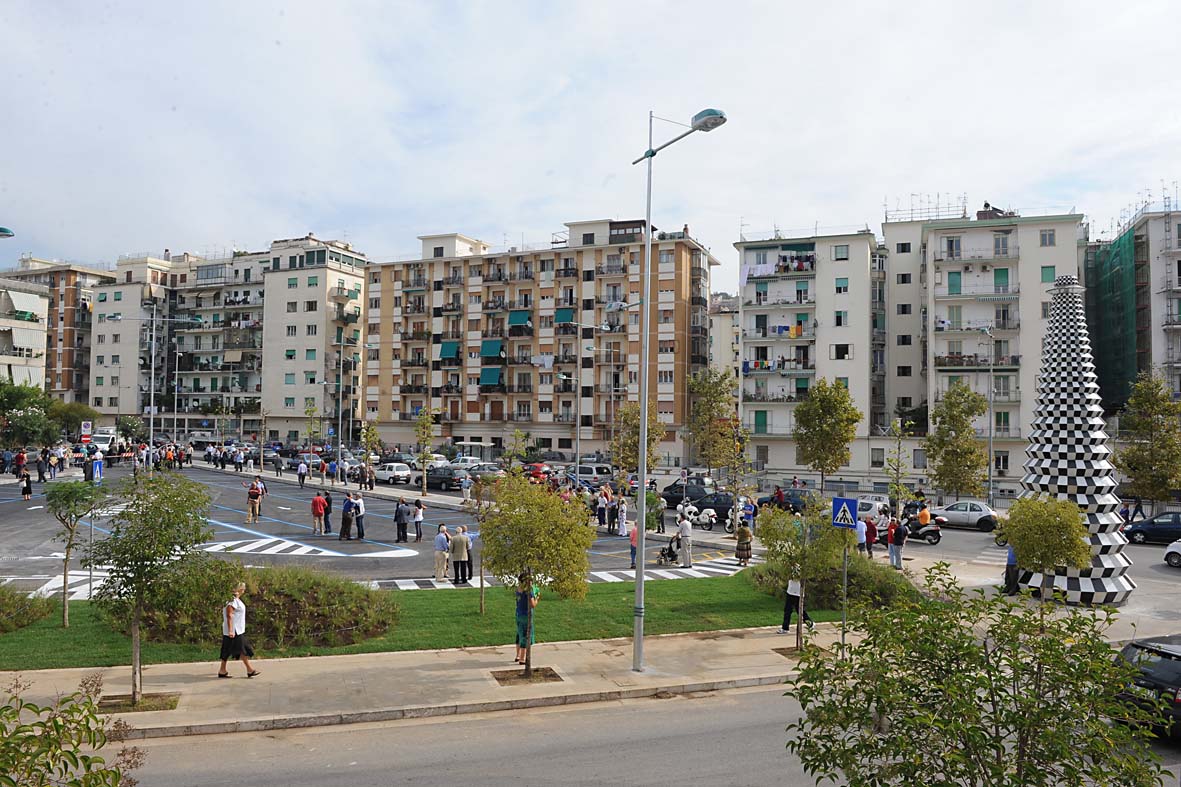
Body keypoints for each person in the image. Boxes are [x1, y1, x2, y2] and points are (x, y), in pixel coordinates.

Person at [217, 582, 260, 678]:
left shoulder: (235, 599)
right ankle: (249, 670)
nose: (244, 590)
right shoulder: (232, 600)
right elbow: (229, 615)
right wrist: (231, 630)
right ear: (240, 589)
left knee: (227, 649)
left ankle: (222, 670)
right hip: (235, 630)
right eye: (243, 589)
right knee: (241, 649)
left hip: (236, 630)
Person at [514, 575, 538, 665]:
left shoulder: (518, 589)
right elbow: (532, 604)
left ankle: (517, 655)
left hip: (518, 614)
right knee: (525, 635)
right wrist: (537, 599)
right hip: (526, 616)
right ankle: (522, 658)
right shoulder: (529, 591)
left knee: (519, 634)